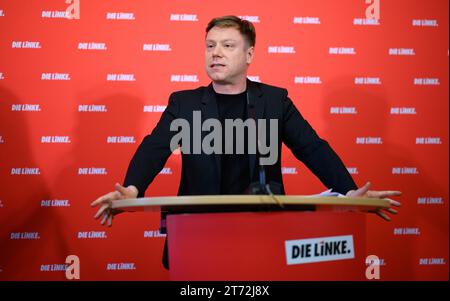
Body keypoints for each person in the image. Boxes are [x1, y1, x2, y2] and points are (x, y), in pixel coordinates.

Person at [91, 16, 401, 267]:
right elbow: (155, 147)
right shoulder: (183, 103)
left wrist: (349, 191)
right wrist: (132, 189)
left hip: (260, 233)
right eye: (210, 45)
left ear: (249, 54)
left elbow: (312, 147)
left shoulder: (275, 101)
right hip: (196, 236)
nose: (216, 53)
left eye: (227, 45)